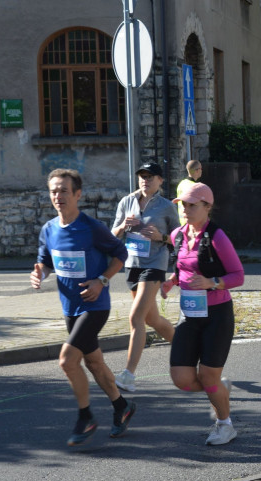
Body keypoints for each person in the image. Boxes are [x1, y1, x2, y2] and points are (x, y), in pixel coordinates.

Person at [30, 169, 135, 446]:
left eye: (64, 190)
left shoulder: (91, 227)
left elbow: (120, 253)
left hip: (95, 305)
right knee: (94, 363)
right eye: (54, 190)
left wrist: (102, 280)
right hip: (70, 308)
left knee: (67, 360)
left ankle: (85, 416)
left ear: (77, 194)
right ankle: (121, 406)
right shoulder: (49, 230)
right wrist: (39, 274)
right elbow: (45, 262)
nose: (58, 196)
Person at [162, 182, 244, 445]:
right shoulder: (176, 235)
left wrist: (213, 282)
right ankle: (221, 389)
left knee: (208, 376)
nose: (185, 210)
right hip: (190, 314)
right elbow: (184, 269)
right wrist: (171, 281)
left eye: (191, 205)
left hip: (217, 314)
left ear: (207, 207)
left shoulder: (217, 236)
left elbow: (238, 275)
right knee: (182, 379)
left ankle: (225, 424)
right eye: (183, 205)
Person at [109, 162, 180, 394]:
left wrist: (162, 236)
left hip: (154, 266)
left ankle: (128, 374)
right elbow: (113, 235)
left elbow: (180, 238)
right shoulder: (126, 202)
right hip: (132, 265)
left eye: (150, 176)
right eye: (142, 176)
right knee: (154, 320)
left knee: (136, 318)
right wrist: (121, 227)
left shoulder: (166, 207)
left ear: (160, 180)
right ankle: (187, 351)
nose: (145, 180)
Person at [175, 159, 202, 225]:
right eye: (201, 168)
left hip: (182, 222)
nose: (201, 170)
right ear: (197, 170)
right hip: (191, 222)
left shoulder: (181, 184)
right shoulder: (195, 186)